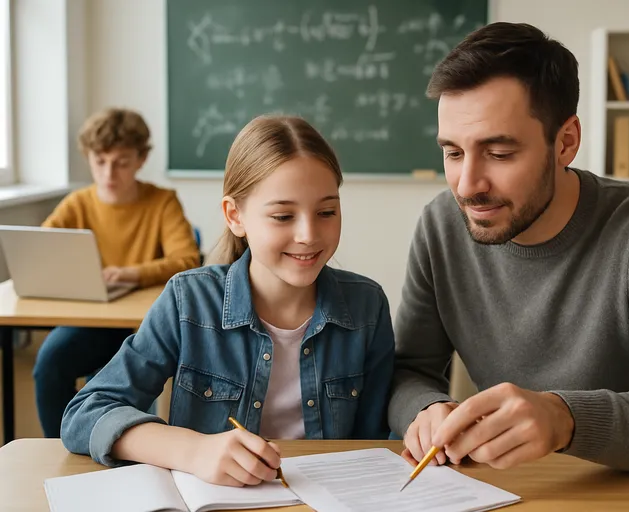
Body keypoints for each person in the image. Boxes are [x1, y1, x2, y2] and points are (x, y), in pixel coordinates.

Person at [388, 22, 629, 472]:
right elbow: (408, 370)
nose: (467, 186)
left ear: (565, 142)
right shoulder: (440, 225)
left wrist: (564, 418)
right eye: (453, 152)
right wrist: (426, 409)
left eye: (499, 153)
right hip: (511, 491)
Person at [61, 115, 395, 487]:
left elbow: (376, 442)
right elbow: (84, 414)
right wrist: (192, 451)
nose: (308, 234)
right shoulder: (189, 301)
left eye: (327, 212)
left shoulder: (368, 306)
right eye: (283, 215)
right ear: (235, 216)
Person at [34, 108, 201, 438]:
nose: (109, 172)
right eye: (100, 161)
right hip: (88, 319)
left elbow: (187, 260)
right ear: (89, 157)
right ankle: (58, 449)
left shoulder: (162, 202)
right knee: (49, 365)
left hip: (143, 323)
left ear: (140, 159)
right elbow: (42, 249)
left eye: (122, 162)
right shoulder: (77, 203)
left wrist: (128, 274)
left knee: (135, 380)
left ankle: (127, 447)